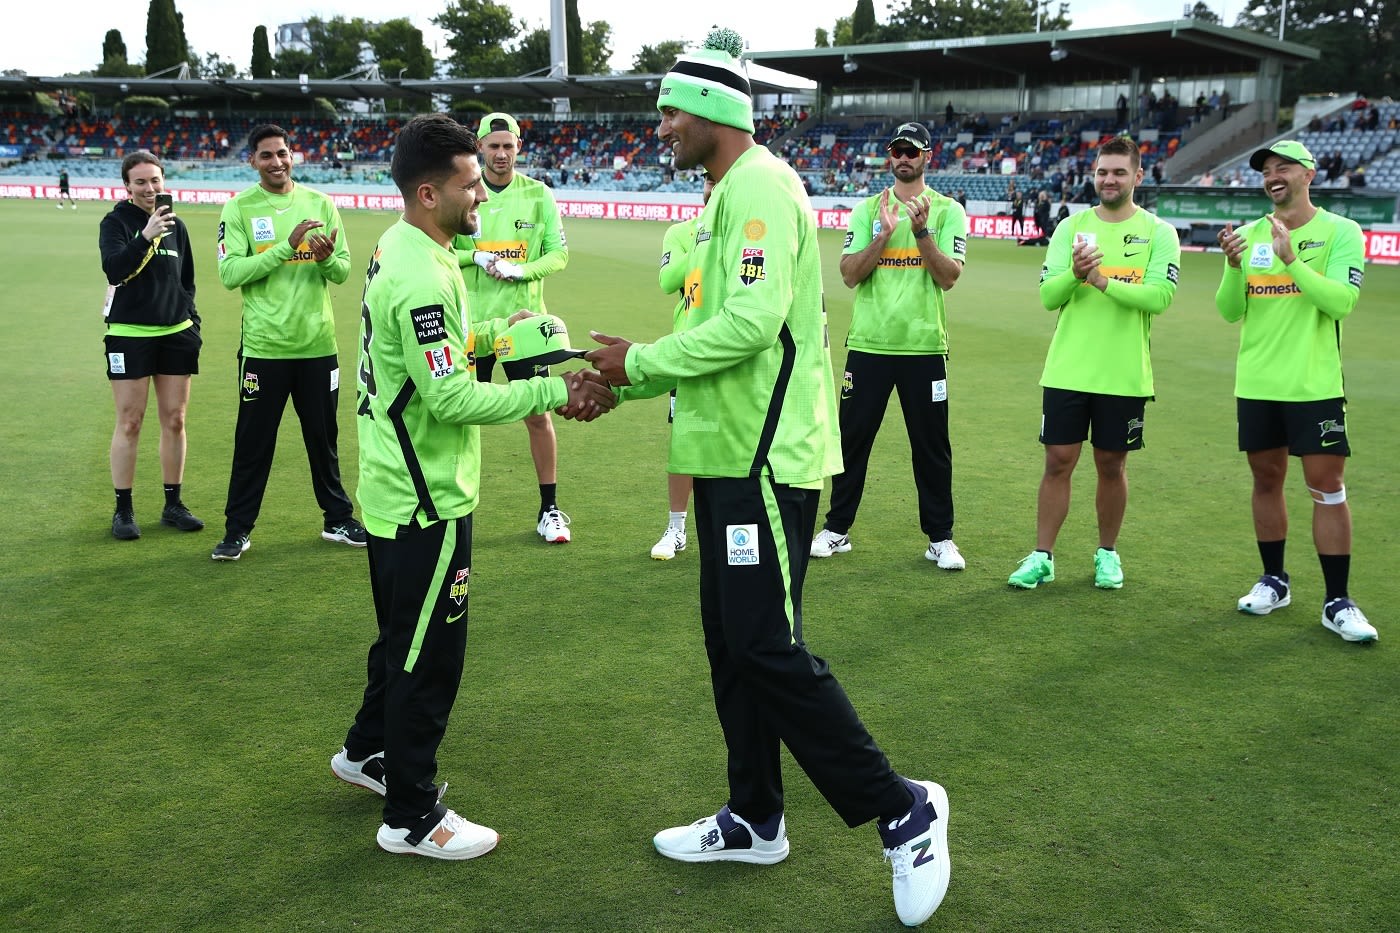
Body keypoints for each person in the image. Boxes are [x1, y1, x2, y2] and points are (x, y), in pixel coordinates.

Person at [584, 29, 950, 928]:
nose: (661, 123)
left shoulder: (758, 189)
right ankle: (755, 815)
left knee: (764, 644)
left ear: (712, 110)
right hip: (723, 456)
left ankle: (904, 806)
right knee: (732, 642)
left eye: (671, 107)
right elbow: (714, 337)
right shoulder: (721, 197)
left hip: (765, 460)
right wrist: (624, 384)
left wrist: (637, 364)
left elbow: (750, 326)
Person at [330, 113, 615, 860]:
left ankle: (365, 751)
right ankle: (412, 815)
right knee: (429, 657)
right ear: (429, 192)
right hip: (425, 498)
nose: (481, 198)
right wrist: (552, 393)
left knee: (402, 635)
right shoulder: (425, 270)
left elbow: (428, 355)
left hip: (396, 485)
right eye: (468, 186)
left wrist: (500, 336)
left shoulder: (403, 245)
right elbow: (451, 398)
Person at [1214, 140, 1376, 643]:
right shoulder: (1247, 235)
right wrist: (1234, 266)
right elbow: (1229, 311)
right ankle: (1274, 581)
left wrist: (1292, 261)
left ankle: (1338, 601)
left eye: (1283, 167)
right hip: (1258, 383)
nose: (1272, 175)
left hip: (1314, 384)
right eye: (1266, 169)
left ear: (1309, 173)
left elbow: (1341, 302)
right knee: (1266, 481)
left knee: (1327, 488)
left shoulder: (1341, 232)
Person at [1008, 135, 1180, 591]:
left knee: (1111, 465)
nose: (1109, 179)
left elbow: (1159, 297)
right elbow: (1048, 296)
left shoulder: (1159, 234)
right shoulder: (1071, 227)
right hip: (1068, 368)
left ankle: (1107, 554)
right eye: (1103, 171)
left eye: (1120, 172)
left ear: (1138, 177)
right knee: (1057, 462)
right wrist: (1075, 273)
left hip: (1123, 373)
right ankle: (1042, 556)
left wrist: (1102, 281)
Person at [809, 121, 969, 570]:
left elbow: (949, 277)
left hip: (923, 348)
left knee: (931, 447)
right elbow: (849, 274)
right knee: (852, 442)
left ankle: (940, 539)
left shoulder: (947, 210)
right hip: (870, 346)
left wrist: (921, 233)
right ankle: (837, 530)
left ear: (927, 157)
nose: (903, 158)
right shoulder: (866, 210)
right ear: (889, 156)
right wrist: (883, 234)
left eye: (912, 151)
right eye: (897, 150)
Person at [212, 124, 364, 561]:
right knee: (254, 443)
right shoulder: (238, 208)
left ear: (293, 154)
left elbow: (341, 272)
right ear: (252, 161)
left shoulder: (321, 203)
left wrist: (325, 258)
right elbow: (230, 274)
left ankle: (337, 519)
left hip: (317, 345)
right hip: (264, 349)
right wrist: (287, 245)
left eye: (282, 154)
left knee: (324, 438)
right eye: (266, 156)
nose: (277, 162)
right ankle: (237, 530)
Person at [455, 112, 574, 544]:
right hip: (472, 325)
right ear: (480, 149)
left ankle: (550, 510)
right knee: (458, 417)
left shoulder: (539, 194)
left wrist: (521, 270)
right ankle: (450, 507)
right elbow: (447, 253)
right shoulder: (466, 193)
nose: (501, 154)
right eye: (493, 145)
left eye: (508, 145)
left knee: (538, 414)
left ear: (518, 148)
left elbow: (558, 254)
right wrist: (479, 258)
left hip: (524, 329)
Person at [99, 151, 203, 540]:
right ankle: (123, 510)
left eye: (155, 180)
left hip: (176, 333)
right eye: (140, 182)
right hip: (130, 333)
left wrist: (192, 321)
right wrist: (146, 235)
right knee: (130, 421)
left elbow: (186, 280)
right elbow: (114, 267)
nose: (149, 188)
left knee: (175, 420)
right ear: (126, 186)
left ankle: (172, 504)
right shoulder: (115, 222)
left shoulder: (178, 226)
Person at [649, 171, 715, 560]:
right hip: (688, 350)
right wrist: (705, 237)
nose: (712, 189)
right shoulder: (681, 232)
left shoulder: (748, 229)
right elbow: (668, 279)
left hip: (735, 349)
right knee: (685, 440)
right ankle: (676, 529)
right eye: (707, 183)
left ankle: (727, 526)